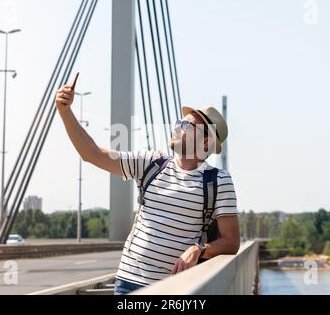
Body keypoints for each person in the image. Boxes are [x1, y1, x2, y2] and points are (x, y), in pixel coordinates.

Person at [55, 81, 240, 295]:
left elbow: (231, 241)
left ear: (206, 142)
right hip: (128, 281)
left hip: (174, 288)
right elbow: (92, 154)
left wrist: (199, 250)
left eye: (187, 125)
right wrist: (65, 112)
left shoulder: (218, 181)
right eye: (179, 122)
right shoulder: (151, 163)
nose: (177, 127)